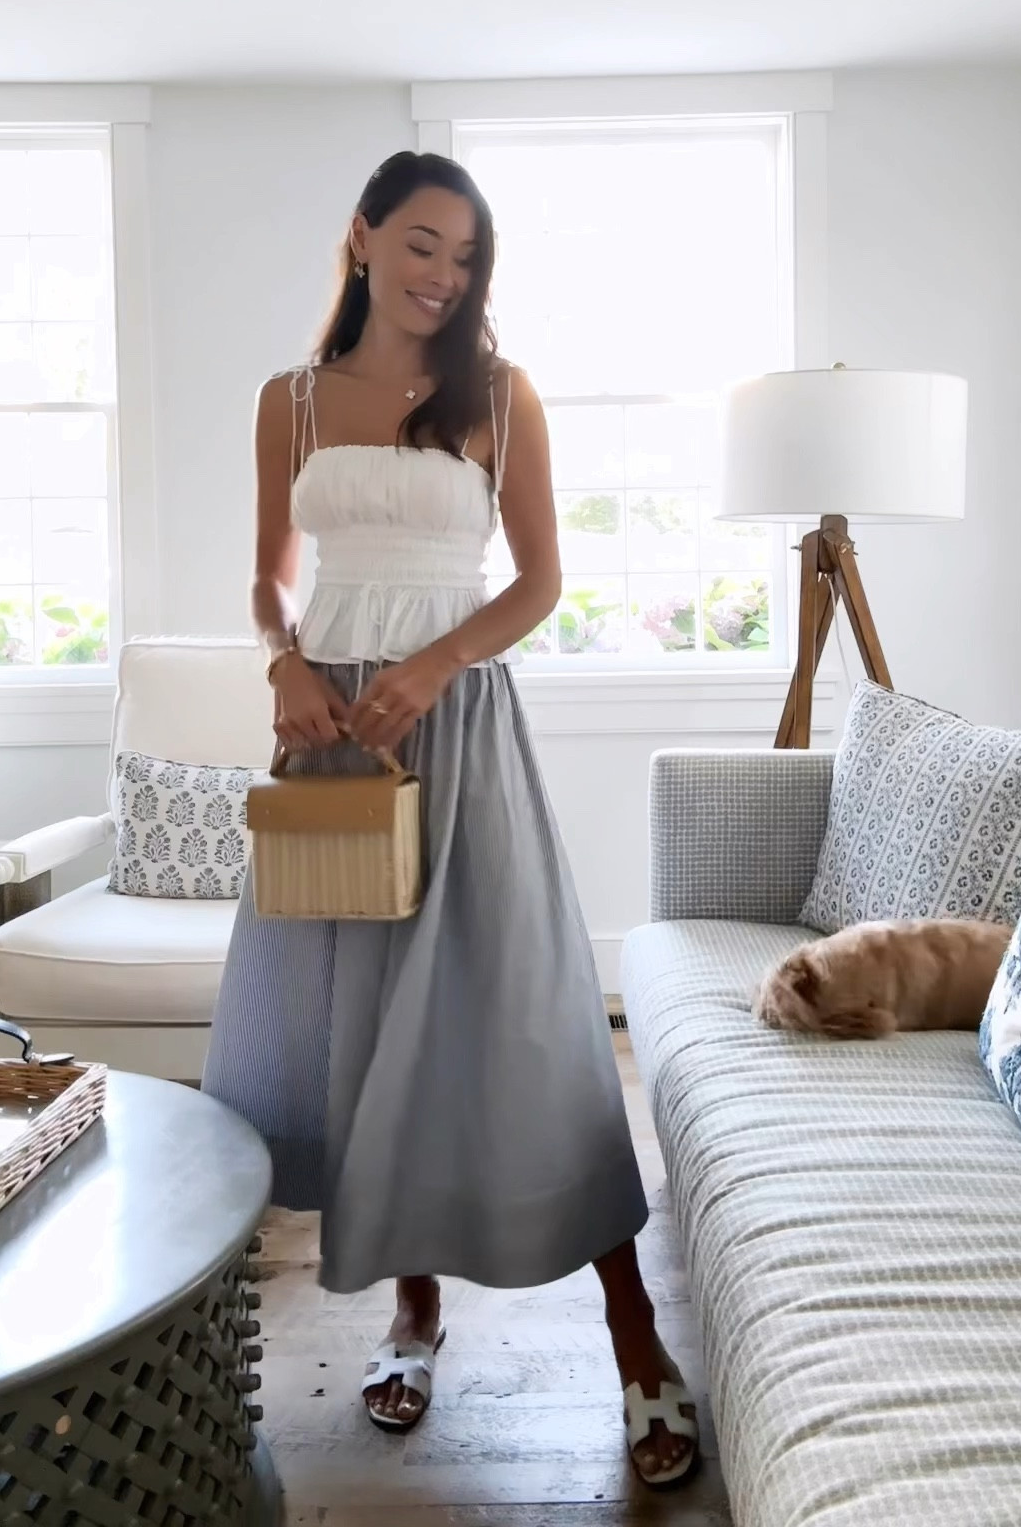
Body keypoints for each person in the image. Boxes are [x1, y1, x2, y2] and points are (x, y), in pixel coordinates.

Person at [202, 150, 698, 1488]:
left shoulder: (500, 393)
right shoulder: (289, 403)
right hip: (334, 749)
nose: (443, 276)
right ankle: (414, 1310)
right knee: (365, 1033)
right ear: (360, 235)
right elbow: (267, 579)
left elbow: (538, 582)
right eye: (422, 243)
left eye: (465, 256)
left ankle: (638, 1338)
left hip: (461, 727)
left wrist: (431, 667)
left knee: (525, 1022)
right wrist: (284, 661)